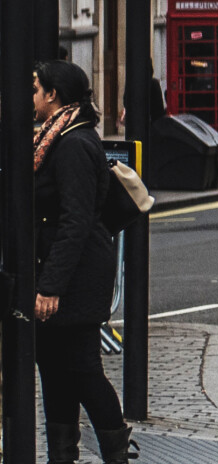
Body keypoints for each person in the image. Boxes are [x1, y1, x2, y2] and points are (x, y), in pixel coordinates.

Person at [31, 60, 138, 464]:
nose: (32, 96)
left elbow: (75, 222)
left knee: (82, 369)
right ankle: (62, 455)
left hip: (76, 279)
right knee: (55, 368)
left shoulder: (74, 143)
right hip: (65, 274)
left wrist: (51, 286)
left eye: (36, 88)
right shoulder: (58, 137)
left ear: (54, 94)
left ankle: (116, 452)